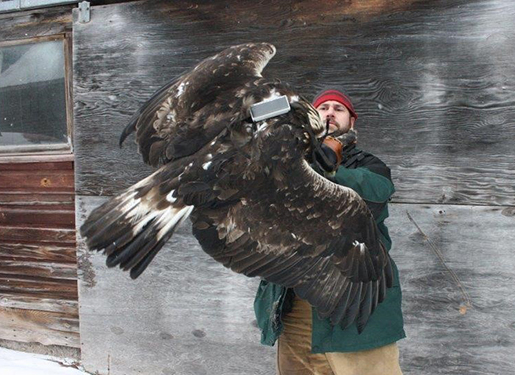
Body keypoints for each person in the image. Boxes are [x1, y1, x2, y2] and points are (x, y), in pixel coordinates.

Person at [254, 88, 405, 375]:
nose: (330, 112)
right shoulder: (285, 163)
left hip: (356, 306)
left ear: (352, 122)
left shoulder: (369, 166)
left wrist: (329, 168)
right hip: (295, 304)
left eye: (339, 109)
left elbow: (374, 195)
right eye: (323, 108)